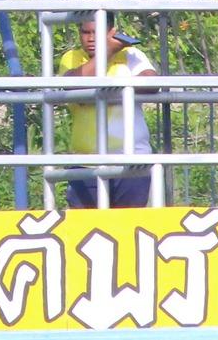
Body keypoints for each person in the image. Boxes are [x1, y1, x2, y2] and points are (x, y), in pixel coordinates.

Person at [58, 16, 159, 208]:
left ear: (111, 32)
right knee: (88, 225)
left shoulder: (130, 54)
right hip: (87, 163)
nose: (90, 38)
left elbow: (152, 83)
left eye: (96, 33)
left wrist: (102, 92)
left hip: (132, 160)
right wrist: (107, 53)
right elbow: (72, 86)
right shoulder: (71, 57)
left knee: (130, 224)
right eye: (85, 32)